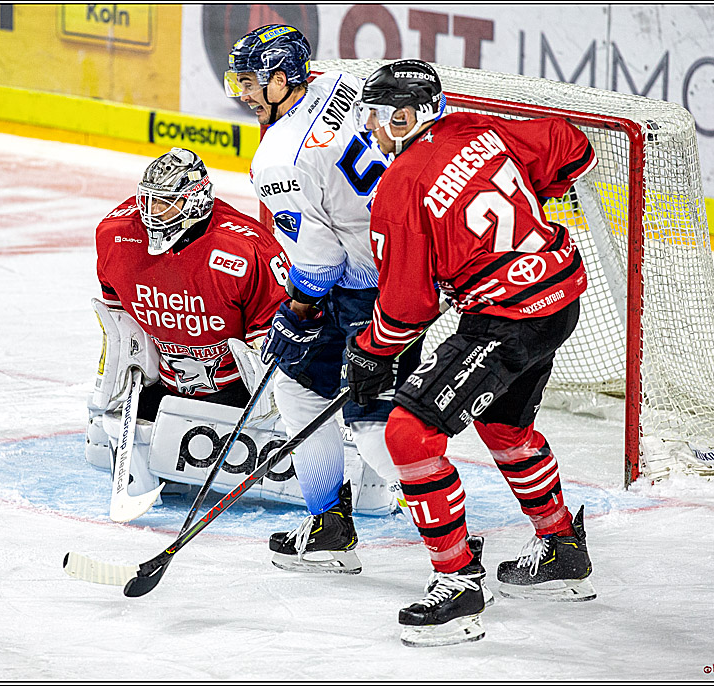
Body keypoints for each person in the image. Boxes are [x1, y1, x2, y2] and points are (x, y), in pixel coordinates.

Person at [345, 59, 598, 647]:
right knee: (505, 429)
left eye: (377, 115)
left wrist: (370, 353)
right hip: (559, 293)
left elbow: (409, 308)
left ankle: (457, 586)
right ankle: (561, 548)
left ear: (403, 116)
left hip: (510, 316)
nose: (371, 126)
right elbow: (570, 145)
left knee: (409, 433)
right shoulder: (473, 127)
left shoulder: (400, 186)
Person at [223, 24, 425, 574]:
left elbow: (317, 264)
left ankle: (451, 547)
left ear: (283, 79)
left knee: (373, 423)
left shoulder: (277, 159)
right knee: (300, 389)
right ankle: (330, 525)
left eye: (250, 82)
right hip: (403, 263)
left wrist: (297, 310)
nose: (242, 94)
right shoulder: (339, 82)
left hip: (369, 288)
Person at [93, 146, 288, 425]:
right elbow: (119, 324)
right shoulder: (116, 235)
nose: (151, 212)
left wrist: (271, 411)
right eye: (148, 200)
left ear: (195, 202)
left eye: (165, 203)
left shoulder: (246, 248)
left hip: (234, 393)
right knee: (105, 439)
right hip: (162, 388)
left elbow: (268, 341)